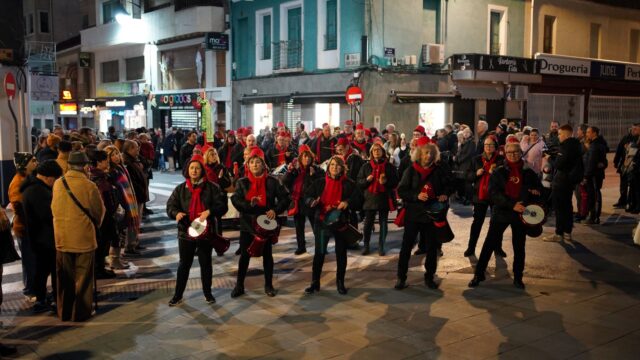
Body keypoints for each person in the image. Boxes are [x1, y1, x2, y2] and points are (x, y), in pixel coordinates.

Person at [468, 140, 542, 289]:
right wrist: (511, 204)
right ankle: (479, 274)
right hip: (502, 212)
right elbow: (493, 193)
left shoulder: (528, 172)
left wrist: (535, 193)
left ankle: (518, 277)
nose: (513, 155)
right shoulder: (499, 171)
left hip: (521, 214)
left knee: (519, 247)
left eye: (516, 152)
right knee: (489, 244)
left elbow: (539, 191)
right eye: (509, 152)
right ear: (505, 154)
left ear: (521, 153)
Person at [166, 154, 228, 306]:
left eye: (197, 168)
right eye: (192, 168)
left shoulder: (213, 188)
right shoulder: (180, 189)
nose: (194, 171)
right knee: (184, 264)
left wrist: (209, 212)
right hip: (185, 232)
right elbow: (170, 207)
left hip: (205, 233)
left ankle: (208, 294)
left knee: (205, 264)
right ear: (187, 170)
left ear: (202, 170)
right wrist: (176, 213)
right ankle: (178, 295)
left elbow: (223, 206)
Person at [52, 151, 106, 321]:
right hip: (83, 237)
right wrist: (95, 224)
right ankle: (81, 313)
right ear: (84, 166)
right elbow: (98, 211)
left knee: (65, 277)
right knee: (83, 277)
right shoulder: (89, 186)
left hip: (62, 236)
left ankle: (64, 312)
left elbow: (54, 207)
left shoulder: (58, 183)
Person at [230, 148, 290, 298]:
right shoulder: (242, 182)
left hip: (266, 225)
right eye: (252, 162)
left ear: (263, 165)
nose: (255, 165)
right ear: (248, 165)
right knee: (245, 256)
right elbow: (236, 200)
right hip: (247, 225)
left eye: (258, 162)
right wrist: (249, 204)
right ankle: (239, 285)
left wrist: (275, 210)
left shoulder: (272, 181)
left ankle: (268, 285)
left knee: (267, 256)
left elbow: (286, 198)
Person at [395, 138, 452, 290]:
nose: (429, 156)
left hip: (431, 214)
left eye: (431, 153)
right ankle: (401, 277)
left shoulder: (438, 170)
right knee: (406, 247)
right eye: (426, 153)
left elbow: (449, 185)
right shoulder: (411, 170)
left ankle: (429, 277)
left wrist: (444, 194)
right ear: (419, 154)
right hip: (413, 214)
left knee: (432, 247)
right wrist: (416, 196)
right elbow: (401, 190)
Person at [304, 156, 356, 295]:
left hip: (340, 222)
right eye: (332, 164)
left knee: (341, 253)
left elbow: (358, 198)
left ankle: (340, 282)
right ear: (328, 167)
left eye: (338, 165)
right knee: (319, 253)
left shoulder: (349, 183)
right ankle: (315, 282)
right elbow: (307, 196)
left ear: (342, 168)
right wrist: (312, 202)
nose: (334, 167)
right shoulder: (319, 182)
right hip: (322, 222)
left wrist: (347, 202)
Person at [22, 160, 63, 313]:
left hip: (41, 237)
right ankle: (44, 300)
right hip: (44, 238)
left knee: (43, 270)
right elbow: (48, 214)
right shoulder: (37, 191)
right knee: (46, 270)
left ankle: (44, 298)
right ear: (48, 177)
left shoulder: (35, 188)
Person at [464, 135, 504, 257]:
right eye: (486, 145)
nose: (488, 147)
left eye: (491, 145)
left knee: (496, 223)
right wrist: (476, 173)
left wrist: (495, 173)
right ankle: (471, 248)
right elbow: (468, 175)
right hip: (479, 195)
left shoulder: (500, 160)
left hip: (495, 195)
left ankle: (498, 248)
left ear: (495, 146)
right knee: (477, 222)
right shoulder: (476, 159)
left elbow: (504, 178)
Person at [542, 125, 584, 242]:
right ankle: (567, 233)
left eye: (560, 134)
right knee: (567, 207)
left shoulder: (566, 146)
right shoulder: (577, 145)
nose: (559, 136)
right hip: (569, 181)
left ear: (565, 135)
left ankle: (559, 233)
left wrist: (549, 158)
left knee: (560, 208)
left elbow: (559, 164)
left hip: (561, 181)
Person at [357, 142, 399, 256]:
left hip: (384, 197)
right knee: (368, 224)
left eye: (378, 149)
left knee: (383, 223)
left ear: (383, 152)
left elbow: (395, 182)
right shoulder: (366, 166)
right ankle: (366, 245)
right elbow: (359, 182)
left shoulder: (389, 167)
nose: (376, 151)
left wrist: (386, 182)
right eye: (374, 150)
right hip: (370, 198)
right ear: (371, 153)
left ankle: (381, 245)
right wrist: (367, 180)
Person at [282, 145, 324, 255]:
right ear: (300, 158)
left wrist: (313, 176)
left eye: (309, 157)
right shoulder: (296, 170)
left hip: (311, 201)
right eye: (304, 157)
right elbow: (285, 181)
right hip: (298, 201)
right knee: (299, 227)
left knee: (316, 227)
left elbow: (321, 184)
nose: (307, 159)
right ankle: (301, 246)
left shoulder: (317, 169)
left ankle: (320, 246)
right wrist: (290, 171)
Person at [104, 146, 139, 270]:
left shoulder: (120, 168)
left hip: (125, 204)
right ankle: (114, 259)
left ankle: (117, 258)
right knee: (117, 234)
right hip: (119, 206)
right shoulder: (110, 172)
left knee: (121, 233)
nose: (116, 157)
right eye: (112, 155)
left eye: (117, 154)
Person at [9, 152, 38, 299]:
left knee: (34, 259)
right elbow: (18, 205)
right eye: (32, 161)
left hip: (31, 226)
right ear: (23, 165)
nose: (36, 162)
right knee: (29, 260)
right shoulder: (17, 182)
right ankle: (30, 290)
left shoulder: (29, 178)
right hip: (24, 228)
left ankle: (35, 288)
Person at [88, 150, 119, 279]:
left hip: (106, 215)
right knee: (102, 244)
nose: (108, 162)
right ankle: (98, 270)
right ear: (99, 162)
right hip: (103, 217)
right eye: (106, 159)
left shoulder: (101, 175)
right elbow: (102, 200)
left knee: (104, 243)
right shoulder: (97, 178)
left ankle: (100, 268)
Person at [122, 140, 148, 255]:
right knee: (133, 222)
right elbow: (132, 182)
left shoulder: (133, 160)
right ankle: (130, 246)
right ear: (129, 149)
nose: (138, 150)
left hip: (138, 195)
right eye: (136, 148)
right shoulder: (127, 162)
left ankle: (135, 243)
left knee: (136, 222)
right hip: (134, 196)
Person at [583, 126, 609, 224]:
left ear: (594, 133)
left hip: (593, 175)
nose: (587, 134)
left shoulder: (595, 145)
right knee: (596, 194)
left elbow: (591, 163)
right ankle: (594, 216)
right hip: (596, 174)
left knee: (593, 196)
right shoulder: (599, 144)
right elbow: (603, 160)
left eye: (589, 132)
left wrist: (586, 176)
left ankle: (592, 217)